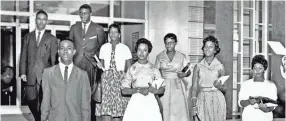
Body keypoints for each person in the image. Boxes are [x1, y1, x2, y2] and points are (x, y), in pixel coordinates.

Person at [19, 10, 58, 121]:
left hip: (45, 75)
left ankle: (40, 119)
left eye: (44, 19)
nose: (41, 21)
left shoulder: (51, 38)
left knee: (43, 101)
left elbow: (54, 59)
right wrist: (22, 72)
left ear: (46, 21)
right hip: (30, 74)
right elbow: (24, 55)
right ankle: (38, 118)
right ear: (36, 20)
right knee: (30, 99)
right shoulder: (28, 36)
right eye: (39, 19)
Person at [69, 4, 105, 120]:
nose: (82, 15)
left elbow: (102, 47)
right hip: (76, 64)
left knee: (89, 95)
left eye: (85, 13)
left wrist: (96, 60)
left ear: (90, 13)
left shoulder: (98, 28)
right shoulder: (74, 27)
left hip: (91, 65)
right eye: (80, 13)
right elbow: (69, 44)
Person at [41, 39, 91, 121]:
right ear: (58, 51)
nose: (65, 51)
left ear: (74, 51)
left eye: (69, 48)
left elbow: (85, 105)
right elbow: (45, 101)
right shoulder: (48, 73)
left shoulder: (83, 75)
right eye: (62, 48)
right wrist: (43, 119)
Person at [121, 38, 165, 121]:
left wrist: (155, 90)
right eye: (139, 50)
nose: (141, 53)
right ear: (136, 51)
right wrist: (138, 90)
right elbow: (124, 90)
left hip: (150, 102)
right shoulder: (131, 68)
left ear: (148, 52)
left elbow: (162, 89)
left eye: (144, 50)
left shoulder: (154, 69)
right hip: (135, 103)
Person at [95, 24, 132, 121]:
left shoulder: (125, 48)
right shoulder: (104, 47)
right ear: (108, 34)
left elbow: (129, 69)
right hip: (106, 81)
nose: (113, 34)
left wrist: (125, 83)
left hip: (120, 80)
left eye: (115, 32)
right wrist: (99, 66)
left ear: (119, 34)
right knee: (106, 109)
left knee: (118, 112)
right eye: (111, 32)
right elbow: (102, 66)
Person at [190, 35, 227, 121]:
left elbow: (225, 87)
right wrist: (194, 105)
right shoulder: (198, 66)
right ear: (203, 48)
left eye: (210, 47)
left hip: (217, 99)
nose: (207, 49)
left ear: (215, 50)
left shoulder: (220, 66)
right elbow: (194, 88)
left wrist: (218, 86)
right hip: (202, 99)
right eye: (205, 46)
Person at [155, 33, 191, 121]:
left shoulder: (182, 56)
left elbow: (188, 70)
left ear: (176, 43)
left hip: (177, 85)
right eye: (167, 43)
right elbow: (155, 72)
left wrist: (184, 74)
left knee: (178, 111)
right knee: (165, 109)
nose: (169, 45)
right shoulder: (159, 56)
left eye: (171, 42)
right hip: (164, 86)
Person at [238, 55, 277, 121]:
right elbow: (240, 103)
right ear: (252, 69)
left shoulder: (271, 85)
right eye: (255, 68)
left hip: (265, 118)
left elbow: (273, 105)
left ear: (264, 69)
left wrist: (266, 109)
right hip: (248, 117)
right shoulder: (245, 84)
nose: (257, 71)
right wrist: (249, 101)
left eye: (260, 68)